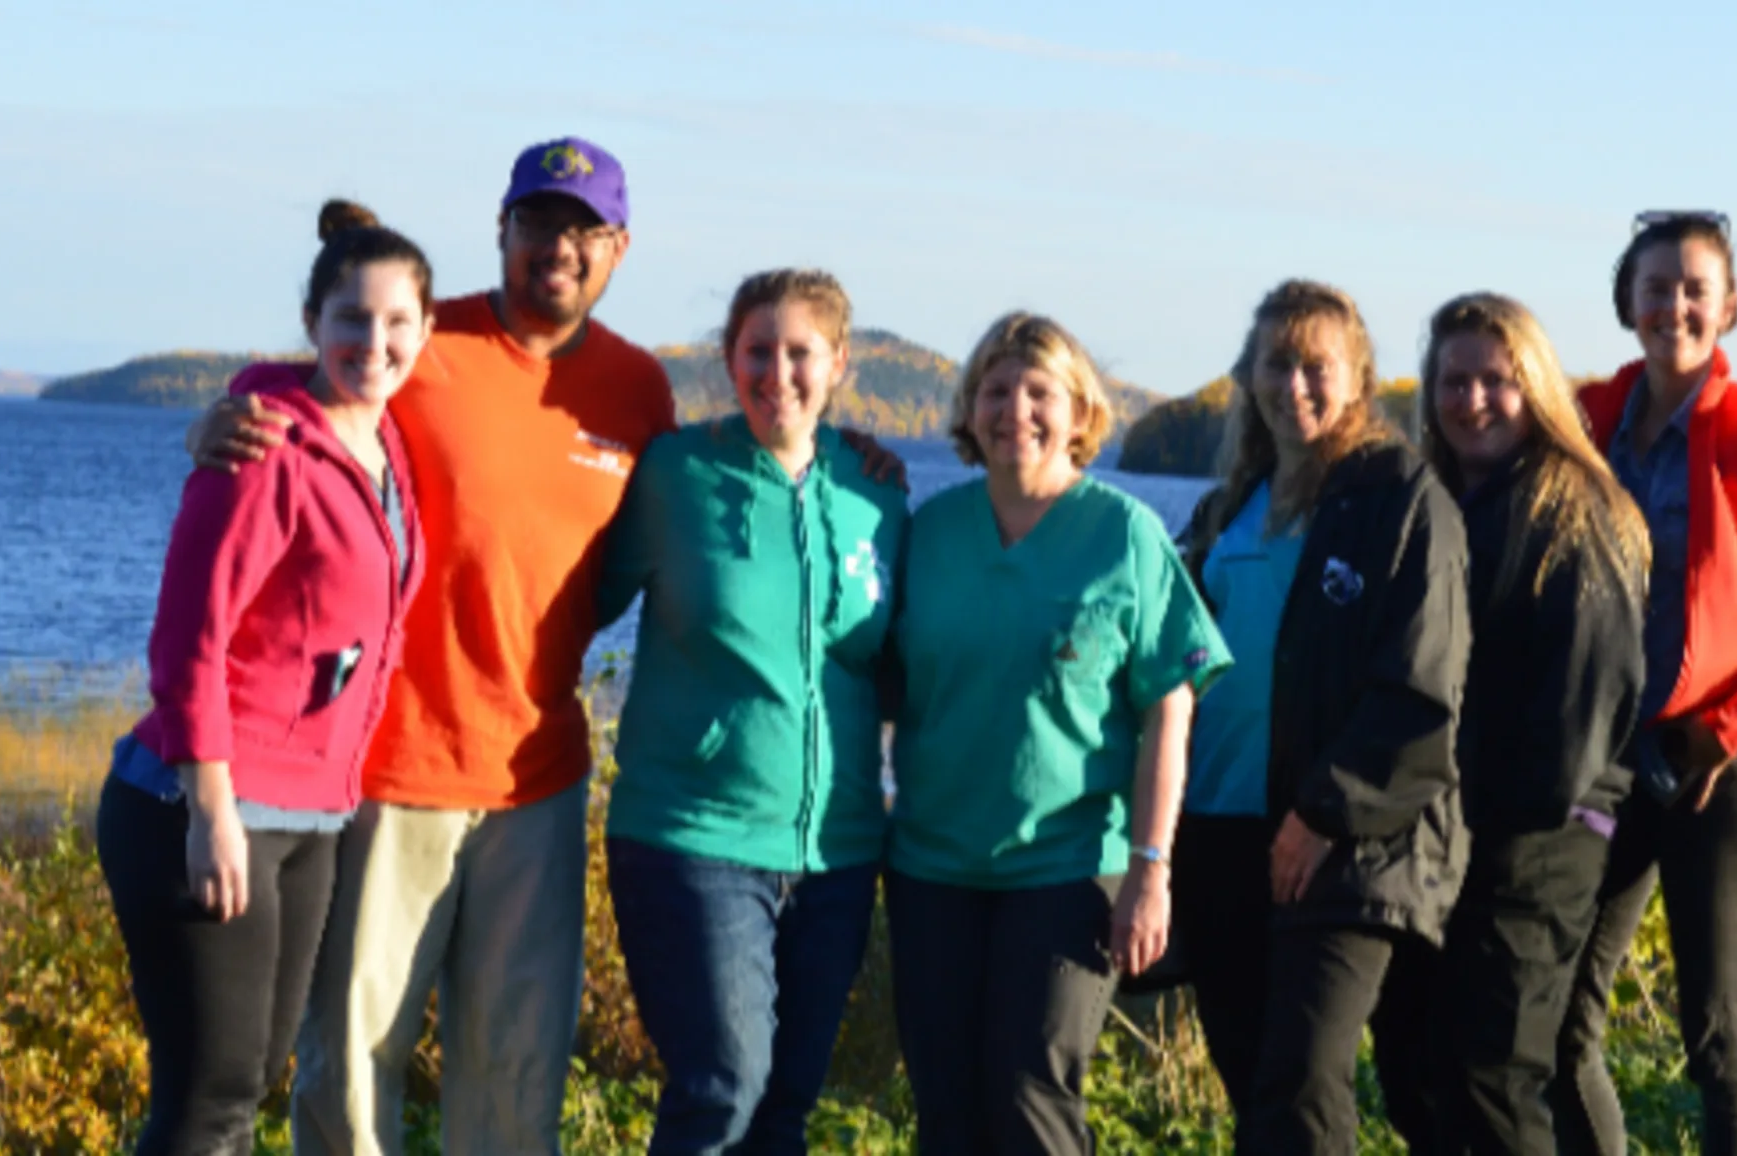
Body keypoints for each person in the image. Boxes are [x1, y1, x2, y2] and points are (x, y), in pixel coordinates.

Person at [192, 137, 677, 1154]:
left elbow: (666, 532)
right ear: (502, 229)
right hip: (389, 768)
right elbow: (299, 389)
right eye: (539, 222)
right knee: (353, 1063)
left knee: (517, 1066)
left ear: (618, 248)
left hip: (538, 781)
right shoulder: (423, 340)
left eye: (582, 230)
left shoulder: (639, 391)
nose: (558, 246)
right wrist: (222, 413)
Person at [96, 200, 432, 1155]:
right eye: (351, 320)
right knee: (209, 1102)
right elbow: (187, 641)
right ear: (312, 324)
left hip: (313, 813)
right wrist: (211, 811)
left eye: (397, 322)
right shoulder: (262, 441)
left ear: (426, 330)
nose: (374, 342)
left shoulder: (386, 446)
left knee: (250, 1086)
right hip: (205, 804)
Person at [885, 311, 1231, 1154]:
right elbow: (876, 685)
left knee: (1031, 1094)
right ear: (968, 413)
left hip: (1071, 866)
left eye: (1040, 391)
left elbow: (1170, 706)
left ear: (1080, 415)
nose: (1016, 411)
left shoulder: (1125, 537)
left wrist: (1152, 870)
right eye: (995, 391)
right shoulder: (928, 536)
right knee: (947, 1106)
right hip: (934, 867)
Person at [1553, 213, 1737, 1156]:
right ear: (1625, 302)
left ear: (1727, 307)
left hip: (1722, 771)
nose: (1674, 305)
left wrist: (1727, 728)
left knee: (1719, 1040)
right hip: (1603, 765)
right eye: (1655, 286)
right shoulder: (1584, 420)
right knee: (1559, 1026)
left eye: (1694, 288)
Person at [594, 268, 908, 1154]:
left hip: (838, 854)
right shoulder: (674, 473)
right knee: (723, 1086)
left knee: (786, 1107)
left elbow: (894, 659)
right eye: (756, 352)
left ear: (838, 362)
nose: (778, 374)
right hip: (693, 837)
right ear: (728, 361)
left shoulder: (875, 494)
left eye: (800, 352)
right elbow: (569, 601)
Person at [1175, 279, 1469, 1156]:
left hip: (1343, 848)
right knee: (1250, 1077)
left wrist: (1323, 815)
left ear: (1359, 379)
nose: (1292, 384)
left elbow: (1421, 692)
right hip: (1221, 828)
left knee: (1301, 1079)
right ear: (1249, 376)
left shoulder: (1402, 499)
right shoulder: (1230, 507)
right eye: (1276, 363)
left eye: (1316, 366)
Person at [1415, 293, 1647, 1155]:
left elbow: (1585, 700)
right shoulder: (1438, 506)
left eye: (1496, 379)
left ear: (1537, 387)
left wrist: (1489, 816)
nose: (1472, 399)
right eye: (1453, 379)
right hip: (1446, 836)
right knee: (1434, 1072)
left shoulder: (1575, 511)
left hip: (1537, 838)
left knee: (1497, 1077)